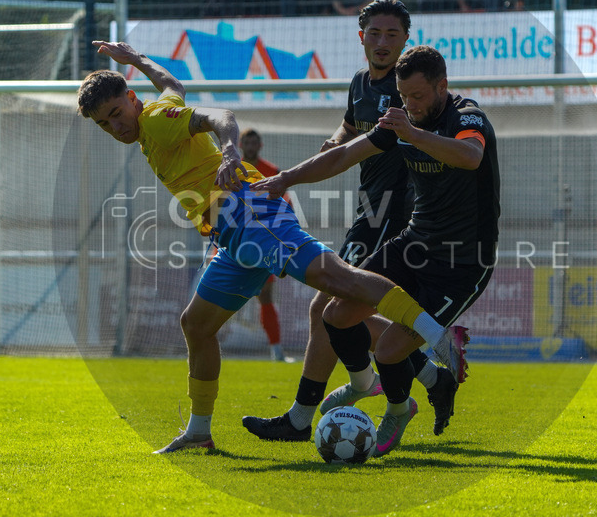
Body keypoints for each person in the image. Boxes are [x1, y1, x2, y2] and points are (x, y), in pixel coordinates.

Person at [77, 40, 465, 454]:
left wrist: (229, 149)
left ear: (132, 100)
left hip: (250, 211)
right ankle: (198, 431)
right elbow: (171, 83)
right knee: (197, 324)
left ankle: (438, 338)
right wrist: (135, 58)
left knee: (340, 281)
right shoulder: (154, 115)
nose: (115, 127)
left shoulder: (154, 120)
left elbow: (220, 116)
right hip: (231, 235)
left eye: (116, 113)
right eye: (104, 124)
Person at [251, 45, 499, 457]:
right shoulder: (401, 120)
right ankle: (376, 383)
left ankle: (399, 410)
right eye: (404, 97)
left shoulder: (466, 116)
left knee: (388, 350)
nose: (410, 105)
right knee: (336, 314)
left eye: (418, 97)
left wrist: (413, 133)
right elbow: (345, 155)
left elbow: (471, 156)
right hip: (414, 242)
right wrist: (286, 179)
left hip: (462, 260)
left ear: (443, 86)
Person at [238, 127, 292, 362]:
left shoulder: (273, 172)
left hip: (264, 242)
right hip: (236, 240)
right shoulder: (230, 169)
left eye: (254, 143)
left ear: (259, 145)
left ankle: (276, 349)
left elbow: (283, 206)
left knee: (266, 295)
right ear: (241, 145)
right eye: (246, 143)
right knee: (221, 295)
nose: (250, 146)